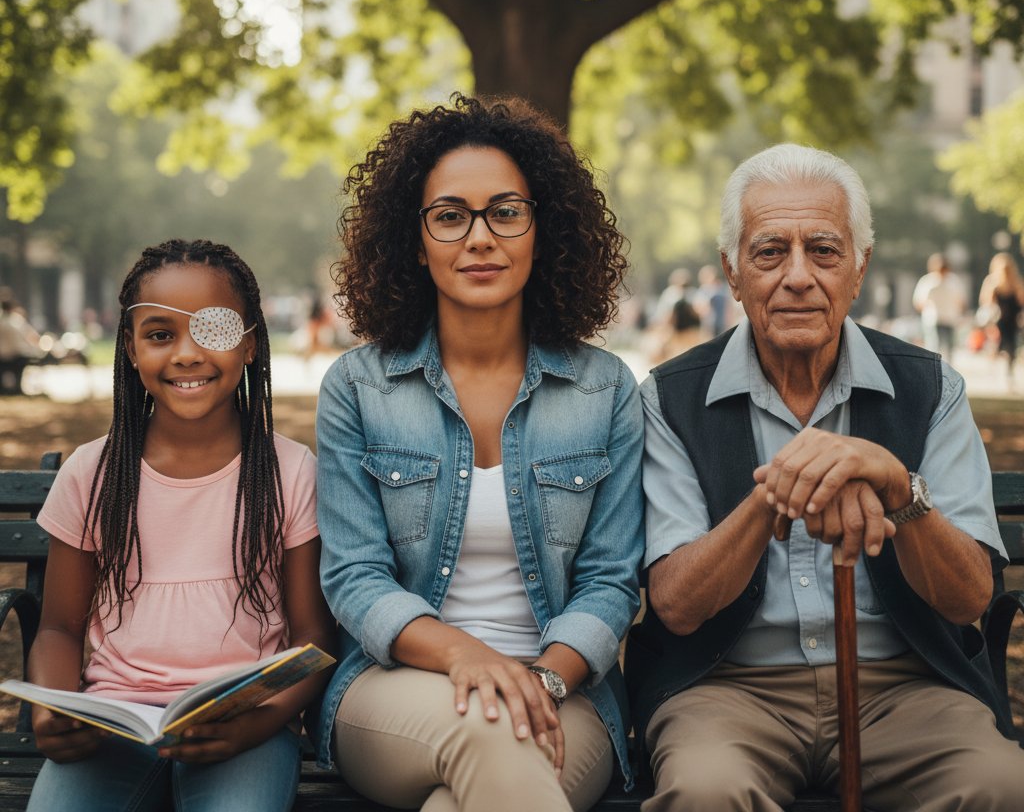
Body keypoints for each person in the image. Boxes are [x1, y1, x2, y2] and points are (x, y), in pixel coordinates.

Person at [627, 144, 1023, 812]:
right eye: (770, 252)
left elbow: (969, 600)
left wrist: (901, 491)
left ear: (859, 268)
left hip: (907, 689)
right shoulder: (668, 397)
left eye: (824, 250)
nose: (799, 276)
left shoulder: (931, 387)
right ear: (732, 270)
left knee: (1000, 785)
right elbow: (676, 604)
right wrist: (775, 493)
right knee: (705, 792)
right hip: (728, 690)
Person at [315, 95, 644, 811]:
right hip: (397, 688)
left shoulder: (605, 389)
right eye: (450, 215)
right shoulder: (359, 388)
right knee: (492, 736)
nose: (480, 238)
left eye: (505, 211)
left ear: (542, 227)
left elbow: (612, 581)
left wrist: (543, 679)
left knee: (466, 791)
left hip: (564, 692)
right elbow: (354, 577)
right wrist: (468, 657)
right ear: (417, 237)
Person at [25, 240, 335, 812]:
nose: (187, 354)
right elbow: (59, 630)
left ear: (248, 344)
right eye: (161, 334)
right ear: (131, 347)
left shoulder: (290, 472)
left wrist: (261, 721)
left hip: (244, 727)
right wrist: (53, 708)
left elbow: (311, 637)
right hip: (114, 726)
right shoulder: (93, 473)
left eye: (213, 331)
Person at [978, 252, 1024, 388]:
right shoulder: (994, 283)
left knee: (1008, 349)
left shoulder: (1016, 283)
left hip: (1010, 322)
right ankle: (1000, 374)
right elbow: (987, 304)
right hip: (1001, 322)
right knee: (1002, 348)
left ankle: (1003, 374)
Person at [912, 252, 967, 363]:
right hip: (933, 319)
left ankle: (946, 370)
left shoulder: (953, 281)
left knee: (948, 348)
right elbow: (918, 302)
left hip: (949, 319)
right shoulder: (928, 281)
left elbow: (961, 302)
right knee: (934, 347)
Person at [0, 292, 45, 395]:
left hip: (3, 357)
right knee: (18, 372)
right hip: (17, 356)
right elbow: (33, 337)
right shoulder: (17, 320)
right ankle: (17, 389)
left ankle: (6, 389)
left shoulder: (4, 321)